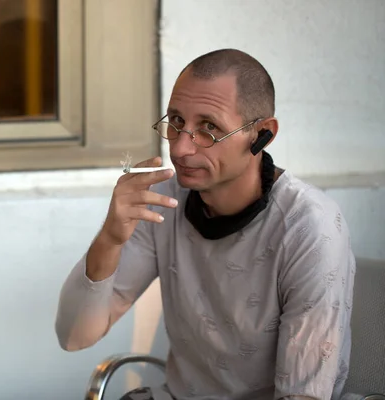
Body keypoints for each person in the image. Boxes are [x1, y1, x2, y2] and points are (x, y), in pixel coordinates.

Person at [54, 48, 356, 400]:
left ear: (262, 135)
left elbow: (302, 395)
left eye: (209, 128)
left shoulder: (309, 227)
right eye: (177, 122)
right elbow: (75, 336)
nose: (181, 148)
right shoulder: (163, 200)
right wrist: (109, 239)